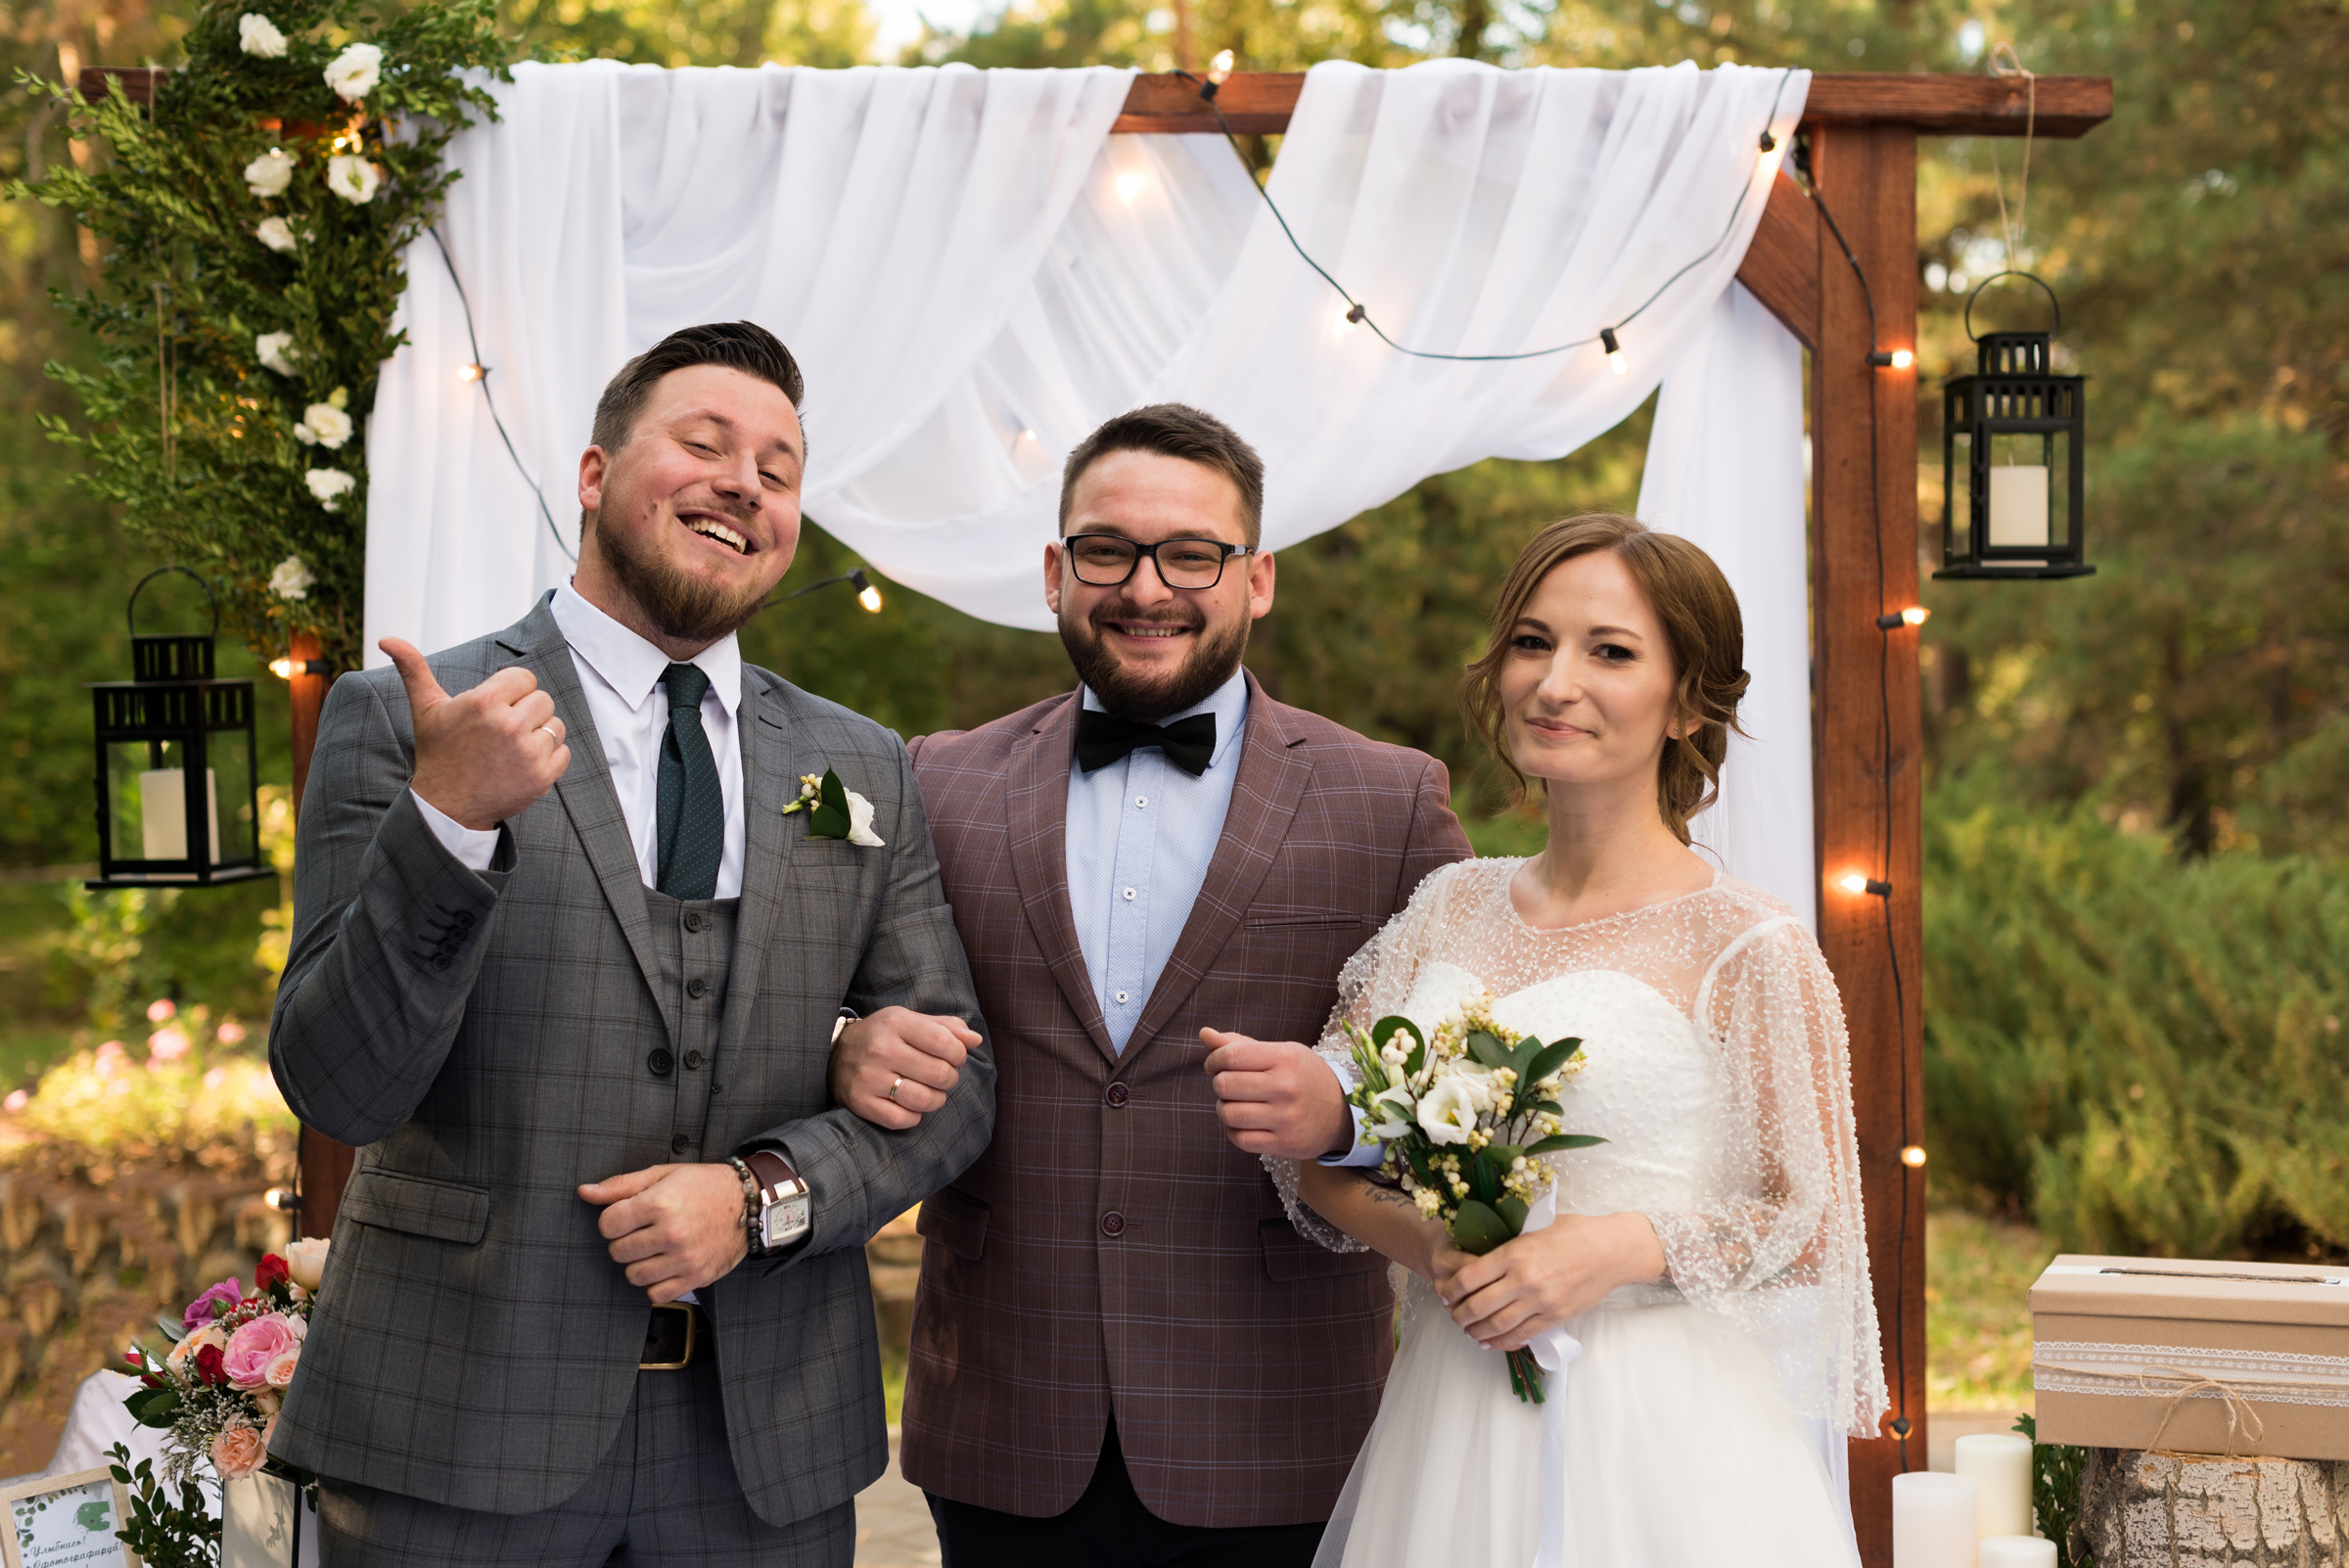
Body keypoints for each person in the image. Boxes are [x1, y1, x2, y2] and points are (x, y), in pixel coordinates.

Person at [267, 320, 993, 1567]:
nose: (744, 483)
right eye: (704, 444)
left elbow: (957, 1086)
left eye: (779, 466)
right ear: (596, 476)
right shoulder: (409, 720)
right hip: (458, 1426)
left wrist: (766, 1197)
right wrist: (446, 823)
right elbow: (339, 1082)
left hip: (763, 1457)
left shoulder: (860, 762)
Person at [827, 403, 1471, 1566]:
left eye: (1192, 554)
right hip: (1006, 1419)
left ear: (1258, 578)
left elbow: (1467, 1077)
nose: (1145, 587)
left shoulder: (1392, 802)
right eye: (1106, 550)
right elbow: (837, 996)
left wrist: (1348, 1109)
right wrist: (842, 1040)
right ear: (1054, 571)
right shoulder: (937, 778)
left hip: (1283, 1425)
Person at [1280, 514, 1887, 1567]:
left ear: (1690, 702)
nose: (1555, 682)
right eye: (1532, 641)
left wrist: (1613, 1249)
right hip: (1450, 1421)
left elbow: (1810, 1223)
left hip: (1659, 1439)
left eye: (1609, 651)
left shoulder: (1748, 944)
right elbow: (1327, 1158)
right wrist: (1433, 1245)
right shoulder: (1446, 909)